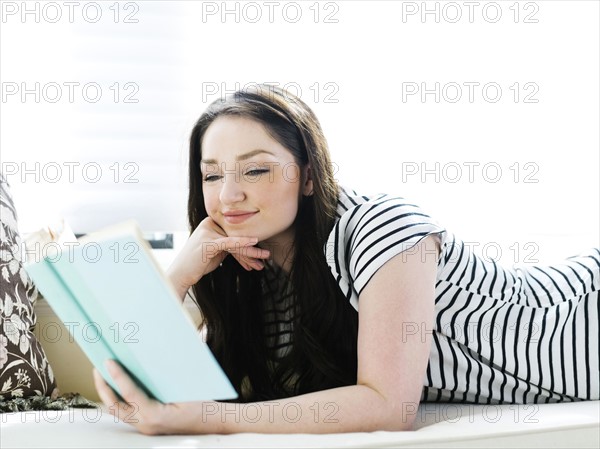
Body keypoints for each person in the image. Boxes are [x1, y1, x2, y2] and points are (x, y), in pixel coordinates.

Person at [93, 84, 599, 435]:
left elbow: (388, 405)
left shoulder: (382, 228)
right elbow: (129, 374)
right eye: (210, 175)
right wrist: (182, 271)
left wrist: (207, 418)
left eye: (255, 171)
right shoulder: (252, 273)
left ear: (309, 177)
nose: (228, 196)